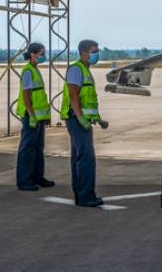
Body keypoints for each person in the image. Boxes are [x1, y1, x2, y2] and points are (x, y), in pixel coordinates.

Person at [60, 39, 109, 207]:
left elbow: (88, 100)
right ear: (83, 52)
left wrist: (98, 119)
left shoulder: (85, 70)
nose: (97, 54)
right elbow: (74, 95)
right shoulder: (76, 69)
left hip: (83, 119)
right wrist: (80, 117)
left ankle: (81, 194)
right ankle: (86, 196)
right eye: (94, 51)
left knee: (79, 157)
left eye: (97, 51)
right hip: (76, 119)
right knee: (86, 158)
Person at [16, 42, 55, 191]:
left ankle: (38, 177)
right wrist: (31, 115)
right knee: (27, 148)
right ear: (32, 54)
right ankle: (24, 180)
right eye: (41, 54)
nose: (43, 56)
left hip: (39, 117)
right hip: (31, 117)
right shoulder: (27, 71)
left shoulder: (35, 69)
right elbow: (26, 96)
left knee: (38, 147)